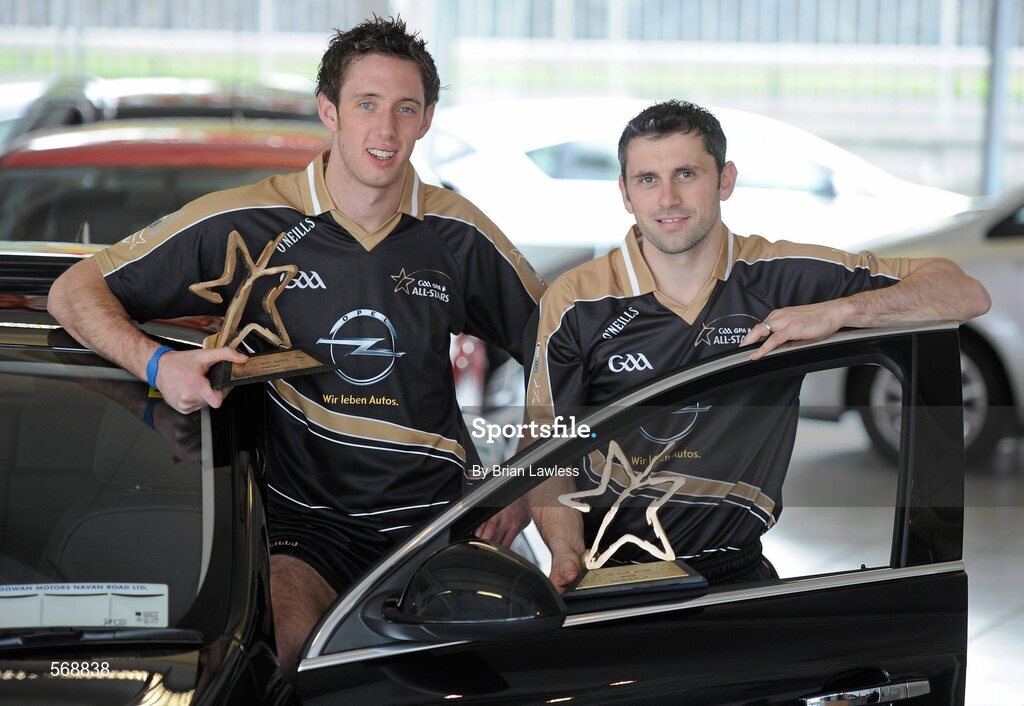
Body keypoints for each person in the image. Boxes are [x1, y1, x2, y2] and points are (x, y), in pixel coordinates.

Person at [47, 16, 544, 679]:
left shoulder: (458, 233)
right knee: (282, 658)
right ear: (328, 110)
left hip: (436, 525)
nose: (386, 130)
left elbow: (561, 352)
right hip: (303, 528)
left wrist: (527, 477)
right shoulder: (247, 223)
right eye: (367, 104)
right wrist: (159, 364)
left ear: (427, 119)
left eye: (405, 108)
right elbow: (74, 290)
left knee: (507, 672)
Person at [524, 100, 990, 593]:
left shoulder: (781, 275)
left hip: (736, 572)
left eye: (686, 174)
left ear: (725, 180)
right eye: (647, 179)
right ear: (624, 192)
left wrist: (837, 312)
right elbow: (543, 449)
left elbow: (963, 292)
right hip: (607, 577)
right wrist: (566, 554)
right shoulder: (577, 300)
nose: (667, 199)